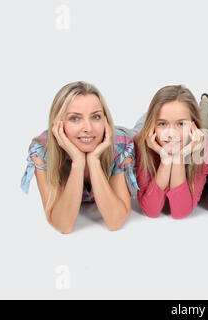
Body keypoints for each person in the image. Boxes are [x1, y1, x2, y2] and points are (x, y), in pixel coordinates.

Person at [21, 81, 139, 233]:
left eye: (96, 117)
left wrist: (94, 161)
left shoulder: (120, 146)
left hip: (141, 136)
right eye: (75, 119)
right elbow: (63, 225)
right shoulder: (43, 152)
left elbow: (115, 221)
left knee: (167, 116)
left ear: (106, 120)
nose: (88, 128)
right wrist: (78, 162)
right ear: (58, 124)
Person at [134, 85, 208, 219]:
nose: (172, 134)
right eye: (162, 124)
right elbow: (151, 210)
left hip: (193, 137)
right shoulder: (141, 142)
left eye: (181, 124)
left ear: (193, 126)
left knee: (207, 121)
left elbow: (180, 212)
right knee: (142, 125)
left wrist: (179, 157)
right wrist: (165, 160)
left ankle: (205, 101)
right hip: (150, 129)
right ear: (153, 126)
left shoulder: (205, 146)